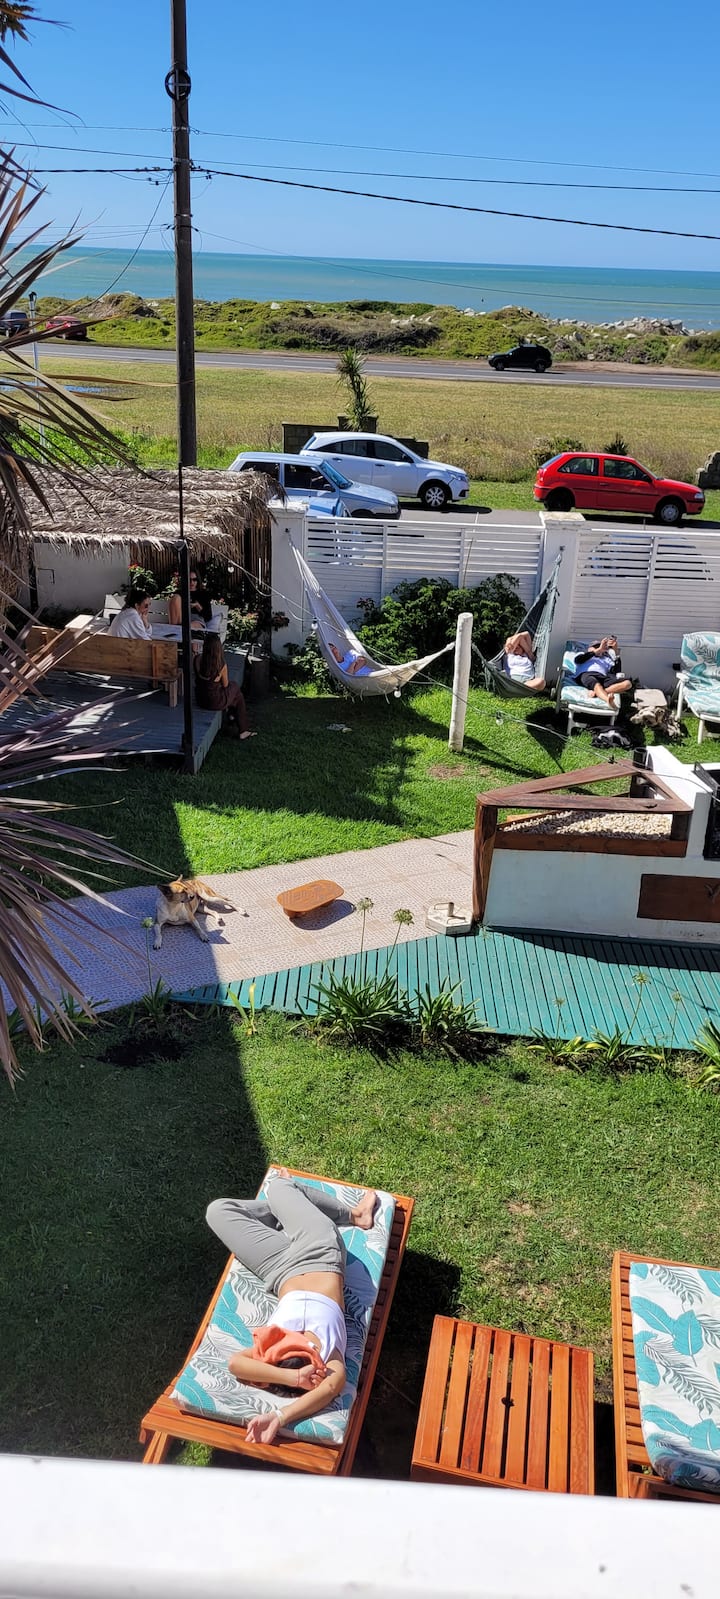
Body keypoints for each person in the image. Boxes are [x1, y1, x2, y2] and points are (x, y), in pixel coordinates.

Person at [206, 1169, 378, 1446]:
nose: (295, 1341)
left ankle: (287, 1210)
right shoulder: (329, 1355)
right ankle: (355, 1215)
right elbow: (330, 1389)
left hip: (278, 1268)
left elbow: (235, 1363)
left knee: (219, 1211)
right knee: (279, 1187)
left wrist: (293, 1377)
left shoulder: (272, 1350)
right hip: (321, 1251)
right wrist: (281, 1416)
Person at [194, 632, 254, 738]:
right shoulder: (221, 665)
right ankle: (243, 729)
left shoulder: (197, 659)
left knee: (234, 692)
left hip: (201, 699)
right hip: (214, 702)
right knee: (235, 690)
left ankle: (232, 716)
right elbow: (225, 685)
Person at [574, 635, 632, 709]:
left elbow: (616, 672)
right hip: (587, 674)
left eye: (602, 647)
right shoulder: (583, 654)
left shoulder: (606, 659)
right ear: (589, 649)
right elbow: (578, 660)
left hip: (603, 677)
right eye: (596, 647)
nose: (600, 648)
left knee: (628, 683)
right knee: (596, 684)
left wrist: (616, 652)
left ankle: (598, 693)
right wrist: (598, 650)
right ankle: (608, 700)